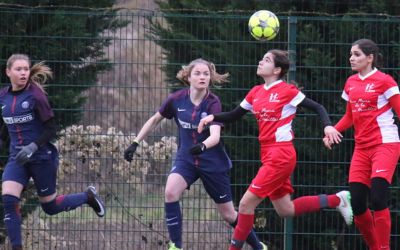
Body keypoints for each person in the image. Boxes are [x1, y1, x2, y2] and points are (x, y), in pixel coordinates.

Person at [197, 50, 353, 250]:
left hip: (281, 155)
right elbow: (235, 115)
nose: (261, 62)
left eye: (267, 60)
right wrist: (213, 117)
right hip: (268, 154)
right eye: (262, 58)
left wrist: (328, 126)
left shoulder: (287, 91)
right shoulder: (256, 92)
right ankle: (337, 199)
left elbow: (318, 107)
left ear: (277, 70)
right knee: (286, 210)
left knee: (245, 205)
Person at [124, 58, 267, 250]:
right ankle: (176, 246)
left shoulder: (212, 102)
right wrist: (135, 142)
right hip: (186, 159)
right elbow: (155, 119)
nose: (202, 77)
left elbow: (215, 136)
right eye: (197, 73)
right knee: (170, 192)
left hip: (212, 162)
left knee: (229, 214)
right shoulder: (176, 99)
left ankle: (259, 247)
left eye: (206, 74)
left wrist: (202, 146)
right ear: (188, 77)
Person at [1, 54, 106, 250]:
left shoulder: (35, 96)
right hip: (18, 159)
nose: (23, 73)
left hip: (42, 157)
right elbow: (4, 126)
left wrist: (33, 147)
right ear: (8, 72)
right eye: (18, 69)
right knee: (8, 199)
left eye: (26, 69)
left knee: (49, 207)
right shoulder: (3, 97)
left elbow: (51, 129)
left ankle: (88, 197)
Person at [323, 39, 400, 250]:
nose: (351, 58)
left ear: (370, 57)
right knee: (357, 204)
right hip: (361, 148)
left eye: (356, 54)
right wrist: (333, 131)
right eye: (350, 54)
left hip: (385, 144)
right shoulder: (351, 82)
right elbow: (350, 116)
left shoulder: (385, 81)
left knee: (377, 198)